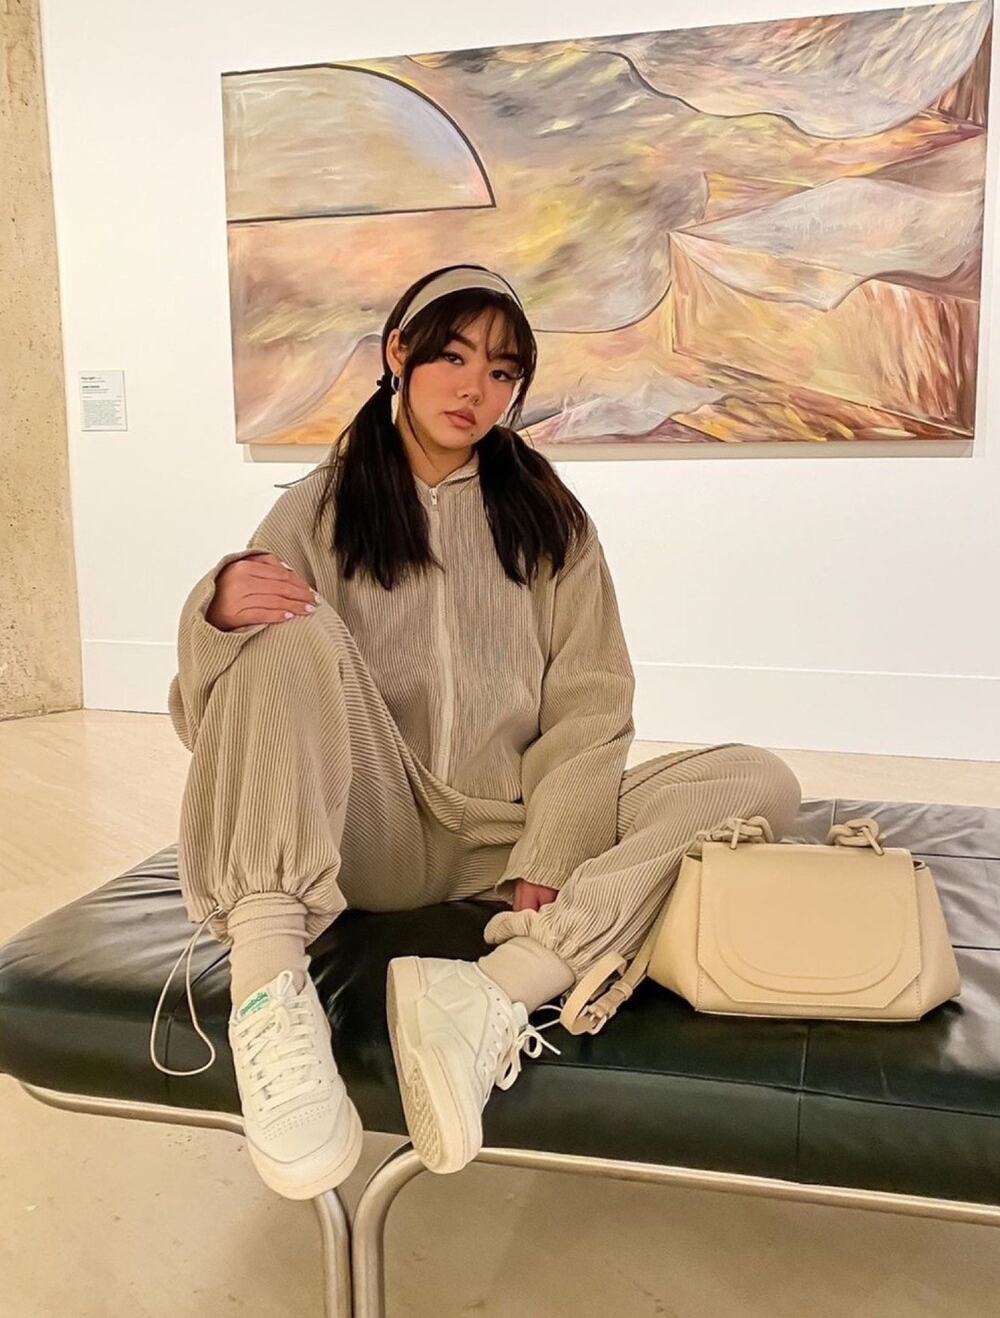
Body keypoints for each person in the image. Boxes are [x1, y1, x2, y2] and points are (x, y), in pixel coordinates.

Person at [155, 264, 802, 1200]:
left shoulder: (551, 521)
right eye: (453, 357)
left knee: (754, 778)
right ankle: (270, 1000)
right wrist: (212, 615)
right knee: (282, 627)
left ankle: (494, 992)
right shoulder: (314, 511)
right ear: (398, 354)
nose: (475, 390)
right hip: (365, 825)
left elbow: (592, 699)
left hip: (500, 839)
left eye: (502, 372)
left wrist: (556, 841)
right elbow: (210, 720)